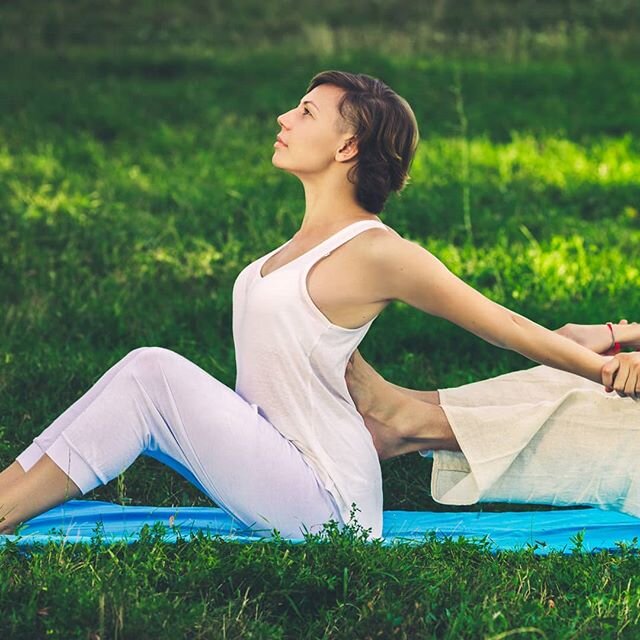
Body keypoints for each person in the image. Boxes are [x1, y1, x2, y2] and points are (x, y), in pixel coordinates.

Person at [1, 71, 638, 540]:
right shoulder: (287, 252)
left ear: (346, 148)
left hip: (331, 501)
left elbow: (501, 328)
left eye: (306, 112)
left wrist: (606, 370)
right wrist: (590, 337)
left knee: (150, 372)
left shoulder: (378, 252)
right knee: (136, 383)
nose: (284, 118)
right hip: (277, 459)